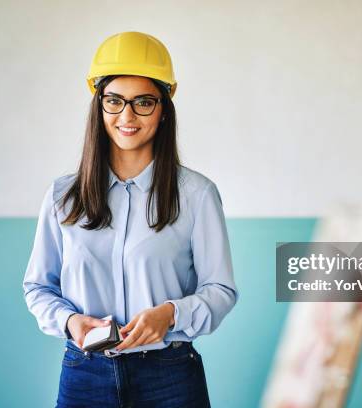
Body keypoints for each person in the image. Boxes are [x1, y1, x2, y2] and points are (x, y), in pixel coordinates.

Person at [22, 31, 238, 408]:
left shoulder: (197, 195)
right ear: (99, 105)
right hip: (84, 374)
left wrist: (170, 314)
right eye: (114, 101)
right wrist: (72, 323)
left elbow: (220, 290)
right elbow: (38, 288)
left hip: (170, 376)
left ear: (164, 108)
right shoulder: (62, 196)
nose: (127, 116)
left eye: (143, 102)